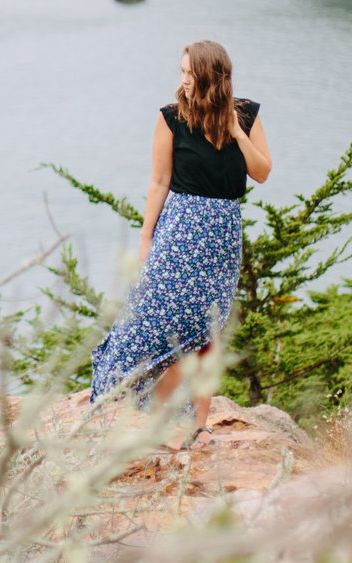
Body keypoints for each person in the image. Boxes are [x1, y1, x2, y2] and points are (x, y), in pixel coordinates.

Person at [89, 40, 271, 449]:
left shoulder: (247, 114)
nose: (184, 80)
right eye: (182, 72)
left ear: (210, 76)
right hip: (179, 231)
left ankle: (198, 425)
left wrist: (238, 135)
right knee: (152, 319)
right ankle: (138, 406)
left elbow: (262, 172)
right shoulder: (171, 118)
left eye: (190, 72)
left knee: (209, 328)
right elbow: (158, 182)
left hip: (222, 234)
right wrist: (146, 237)